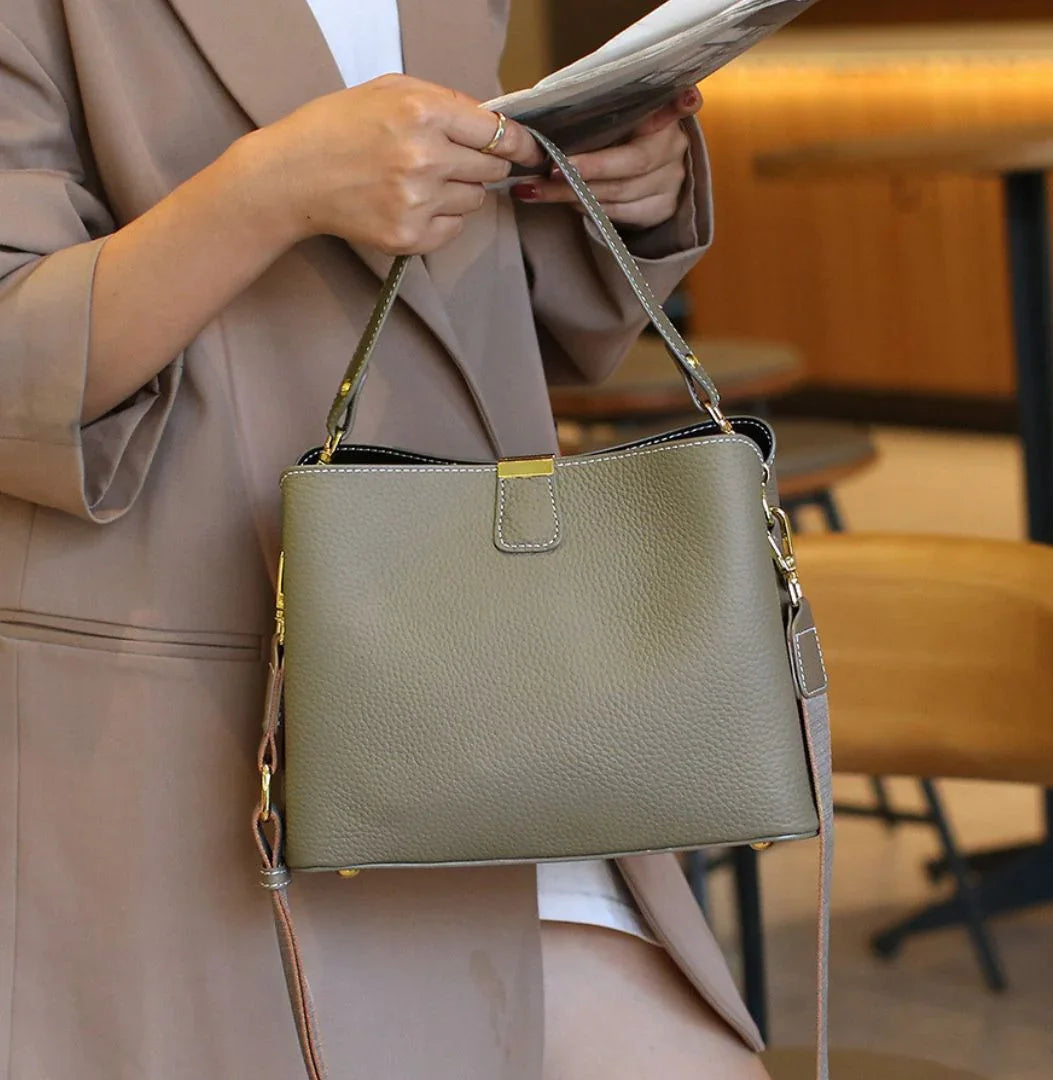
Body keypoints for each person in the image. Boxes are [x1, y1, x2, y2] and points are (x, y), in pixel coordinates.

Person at [0, 2, 771, 1077]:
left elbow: (481, 299)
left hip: (490, 673)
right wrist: (271, 189)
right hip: (203, 718)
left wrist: (616, 190)